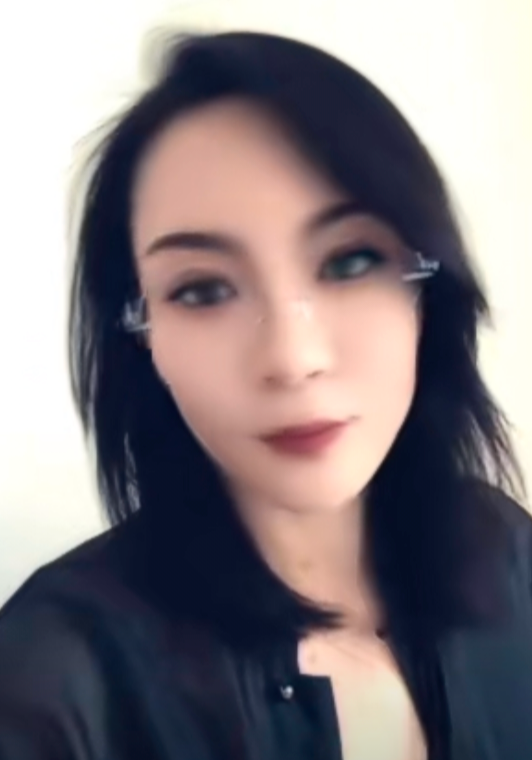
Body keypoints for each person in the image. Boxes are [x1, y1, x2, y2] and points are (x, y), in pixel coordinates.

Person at [0, 29, 530, 760]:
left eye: (350, 261)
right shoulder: (54, 675)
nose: (292, 358)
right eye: (203, 289)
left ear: (428, 292)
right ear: (143, 336)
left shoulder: (505, 553)